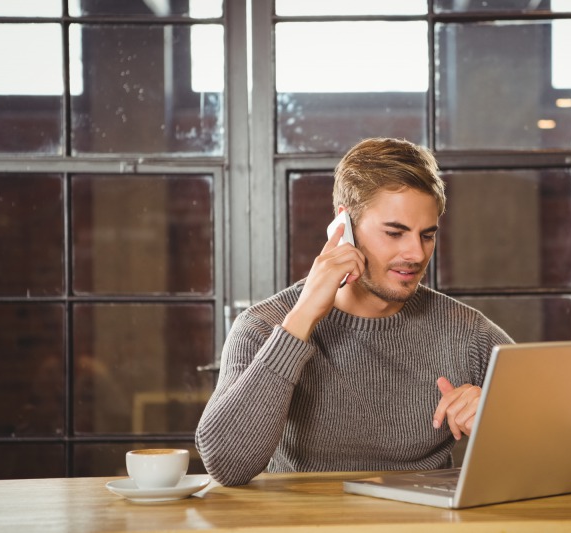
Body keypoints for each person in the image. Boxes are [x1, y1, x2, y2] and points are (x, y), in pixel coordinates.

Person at [195, 137, 514, 486]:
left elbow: (570, 438)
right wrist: (300, 322)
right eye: (395, 233)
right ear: (344, 226)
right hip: (306, 525)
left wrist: (500, 416)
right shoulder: (262, 326)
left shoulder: (468, 332)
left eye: (427, 235)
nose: (416, 254)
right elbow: (225, 465)